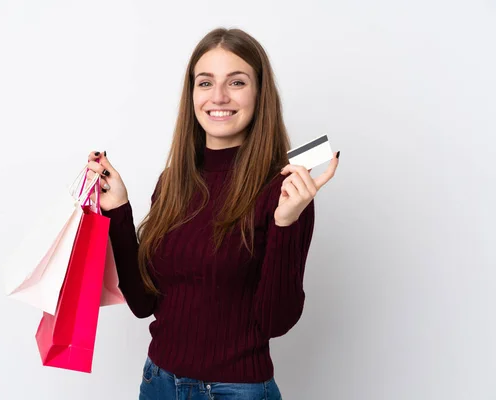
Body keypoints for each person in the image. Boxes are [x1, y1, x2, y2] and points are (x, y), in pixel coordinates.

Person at [86, 27, 339, 400]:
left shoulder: (283, 191)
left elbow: (276, 322)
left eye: (236, 82)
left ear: (259, 93)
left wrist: (286, 223)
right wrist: (119, 211)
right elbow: (143, 304)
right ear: (192, 94)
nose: (218, 96)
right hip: (158, 383)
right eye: (205, 83)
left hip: (236, 391)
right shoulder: (172, 181)